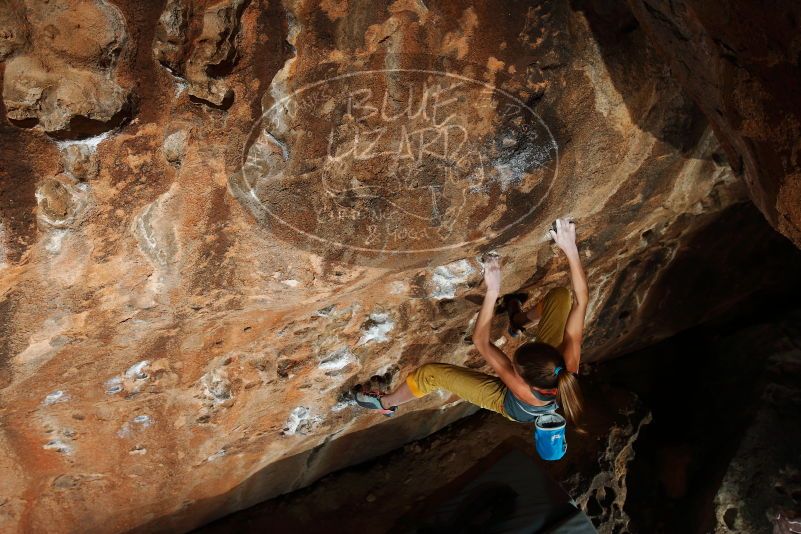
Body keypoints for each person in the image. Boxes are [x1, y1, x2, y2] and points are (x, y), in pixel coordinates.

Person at [355, 218, 589, 427]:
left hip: (511, 404)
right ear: (552, 350)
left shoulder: (520, 386)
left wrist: (493, 290)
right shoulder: (568, 358)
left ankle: (386, 403)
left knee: (431, 374)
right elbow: (581, 300)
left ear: (519, 375)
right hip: (543, 376)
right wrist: (570, 248)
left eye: (514, 366)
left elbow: (481, 342)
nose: (512, 364)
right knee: (560, 296)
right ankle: (517, 320)